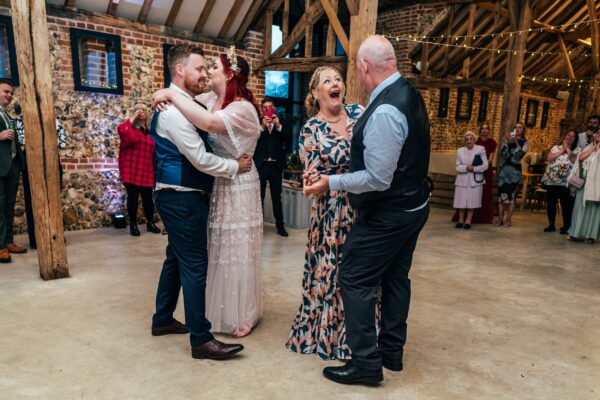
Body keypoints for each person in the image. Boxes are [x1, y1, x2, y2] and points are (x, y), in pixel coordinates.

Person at [304, 36, 430, 385]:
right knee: (394, 278)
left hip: (389, 214)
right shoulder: (407, 92)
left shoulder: (385, 110)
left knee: (354, 277)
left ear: (363, 67)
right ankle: (392, 351)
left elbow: (377, 178)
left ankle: (366, 363)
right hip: (413, 205)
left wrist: (330, 183)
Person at [149, 45, 252, 360]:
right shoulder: (173, 112)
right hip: (181, 197)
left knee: (176, 259)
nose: (205, 74)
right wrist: (237, 167)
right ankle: (201, 340)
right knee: (195, 265)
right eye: (199, 68)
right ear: (180, 70)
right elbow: (200, 159)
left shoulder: (184, 103)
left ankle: (162, 320)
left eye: (209, 69)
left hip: (176, 195)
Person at [286, 66, 367, 360]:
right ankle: (332, 337)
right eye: (327, 81)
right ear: (316, 92)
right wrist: (309, 183)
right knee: (334, 274)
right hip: (332, 214)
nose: (335, 84)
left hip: (365, 207)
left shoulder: (360, 114)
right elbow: (310, 178)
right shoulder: (311, 130)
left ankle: (361, 335)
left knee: (362, 272)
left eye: (338, 79)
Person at [13, 102, 67, 249]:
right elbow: (19, 145)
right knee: (32, 200)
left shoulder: (52, 120)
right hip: (30, 162)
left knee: (53, 198)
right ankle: (36, 238)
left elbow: (62, 142)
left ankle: (56, 234)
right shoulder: (17, 121)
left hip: (51, 160)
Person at [117, 102, 161, 237]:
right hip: (131, 170)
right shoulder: (129, 130)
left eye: (143, 109)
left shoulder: (150, 132)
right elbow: (121, 129)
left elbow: (154, 152)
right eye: (138, 110)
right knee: (133, 199)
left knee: (148, 199)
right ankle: (133, 225)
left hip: (146, 171)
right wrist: (134, 115)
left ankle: (150, 223)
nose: (141, 111)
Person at [254, 97, 290, 237]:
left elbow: (288, 140)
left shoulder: (280, 123)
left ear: (274, 109)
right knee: (259, 198)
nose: (268, 109)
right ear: (262, 110)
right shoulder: (257, 124)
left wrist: (279, 126)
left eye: (270, 107)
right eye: (265, 107)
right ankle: (258, 228)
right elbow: (252, 141)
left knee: (277, 198)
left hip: (275, 166)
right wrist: (262, 127)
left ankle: (280, 227)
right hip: (261, 165)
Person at [0, 79, 27, 263]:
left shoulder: (7, 115)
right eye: (5, 92)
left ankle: (9, 242)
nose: (9, 95)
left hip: (12, 166)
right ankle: (1, 247)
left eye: (11, 93)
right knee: (0, 208)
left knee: (9, 206)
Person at [541, 129, 578, 234]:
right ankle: (551, 224)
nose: (569, 137)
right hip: (552, 181)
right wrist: (562, 150)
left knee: (566, 205)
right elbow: (549, 158)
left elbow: (575, 161)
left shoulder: (577, 149)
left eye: (572, 136)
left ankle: (566, 226)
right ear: (565, 136)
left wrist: (568, 149)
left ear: (575, 139)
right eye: (568, 135)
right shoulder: (556, 148)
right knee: (551, 204)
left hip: (566, 183)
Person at [569, 133, 600, 244]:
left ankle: (590, 235)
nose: (598, 135)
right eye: (598, 133)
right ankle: (575, 233)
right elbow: (580, 158)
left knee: (593, 209)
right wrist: (593, 148)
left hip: (596, 183)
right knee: (579, 207)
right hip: (584, 182)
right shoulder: (589, 146)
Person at [453, 131, 488, 229]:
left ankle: (468, 221)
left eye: (471, 139)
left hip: (475, 179)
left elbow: (485, 165)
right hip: (462, 179)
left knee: (472, 201)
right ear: (464, 141)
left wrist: (474, 168)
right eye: (467, 139)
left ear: (474, 140)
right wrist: (465, 168)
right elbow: (457, 167)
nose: (469, 141)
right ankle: (460, 220)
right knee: (461, 201)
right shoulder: (460, 151)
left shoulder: (481, 149)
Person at [497, 122, 529, 228]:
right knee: (501, 196)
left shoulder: (525, 142)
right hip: (504, 171)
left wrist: (515, 142)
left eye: (520, 127)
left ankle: (508, 219)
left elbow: (519, 156)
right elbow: (503, 154)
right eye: (516, 127)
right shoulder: (507, 140)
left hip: (515, 173)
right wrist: (506, 141)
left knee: (511, 197)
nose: (518, 129)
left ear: (523, 130)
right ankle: (500, 218)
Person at [472, 122, 497, 223]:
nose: (484, 130)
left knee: (485, 193)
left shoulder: (492, 143)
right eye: (482, 128)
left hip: (486, 170)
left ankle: (484, 217)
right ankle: (473, 216)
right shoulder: (475, 141)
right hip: (476, 169)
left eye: (486, 128)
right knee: (475, 192)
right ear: (480, 130)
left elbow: (490, 159)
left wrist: (481, 164)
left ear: (489, 131)